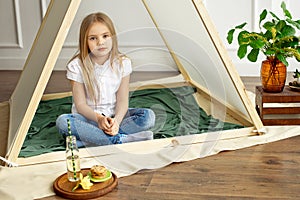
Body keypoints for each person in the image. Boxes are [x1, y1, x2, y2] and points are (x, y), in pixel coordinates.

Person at [56, 12, 155, 147]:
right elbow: (81, 105)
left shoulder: (122, 63)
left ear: (112, 37)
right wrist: (99, 119)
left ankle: (89, 140)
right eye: (93, 38)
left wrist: (117, 122)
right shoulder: (76, 66)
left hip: (114, 117)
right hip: (88, 119)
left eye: (105, 36)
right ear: (85, 41)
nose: (100, 42)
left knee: (148, 117)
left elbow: (122, 101)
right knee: (63, 122)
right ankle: (119, 140)